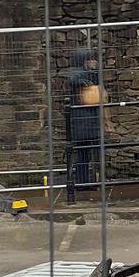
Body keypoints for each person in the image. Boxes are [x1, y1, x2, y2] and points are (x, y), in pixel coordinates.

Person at [60, 46, 104, 200]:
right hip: (81, 122)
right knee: (82, 155)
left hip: (88, 122)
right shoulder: (78, 73)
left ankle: (87, 182)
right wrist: (85, 79)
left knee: (87, 155)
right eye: (90, 59)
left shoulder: (91, 74)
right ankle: (81, 183)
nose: (94, 62)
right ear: (84, 61)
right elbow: (73, 79)